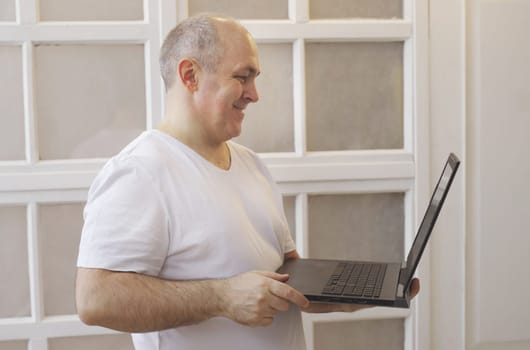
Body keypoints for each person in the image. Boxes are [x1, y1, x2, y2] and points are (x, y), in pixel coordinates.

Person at [75, 14, 419, 350]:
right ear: (190, 75)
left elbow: (287, 276)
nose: (254, 94)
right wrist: (221, 297)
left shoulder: (250, 163)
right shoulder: (139, 172)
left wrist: (346, 293)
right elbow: (95, 300)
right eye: (243, 77)